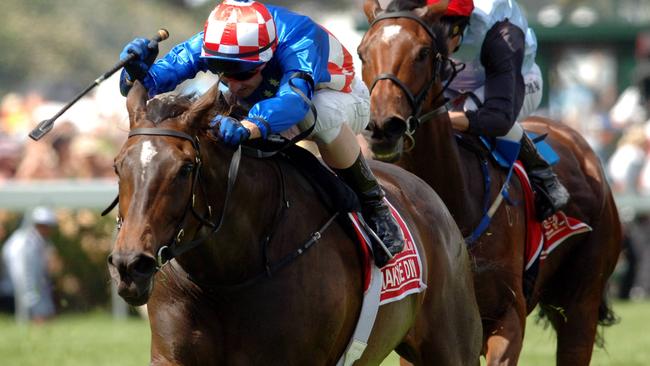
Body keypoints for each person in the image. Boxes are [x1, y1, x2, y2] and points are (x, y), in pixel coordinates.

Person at [118, 0, 404, 266]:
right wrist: (135, 72)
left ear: (267, 57)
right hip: (270, 99)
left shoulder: (300, 37)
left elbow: (295, 100)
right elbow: (157, 81)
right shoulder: (220, 40)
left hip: (336, 95)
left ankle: (373, 204)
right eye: (221, 69)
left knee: (319, 115)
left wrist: (250, 126)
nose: (232, 81)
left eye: (242, 72)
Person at [430, 0, 570, 220]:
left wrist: (440, 118)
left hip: (520, 81)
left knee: (471, 110)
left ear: (458, 27)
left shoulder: (504, 35)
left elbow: (498, 118)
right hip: (460, 81)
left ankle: (542, 173)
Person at [1, 206, 58, 323]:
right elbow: (24, 279)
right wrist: (36, 309)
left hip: (29, 294)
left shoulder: (36, 242)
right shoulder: (25, 244)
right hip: (13, 296)